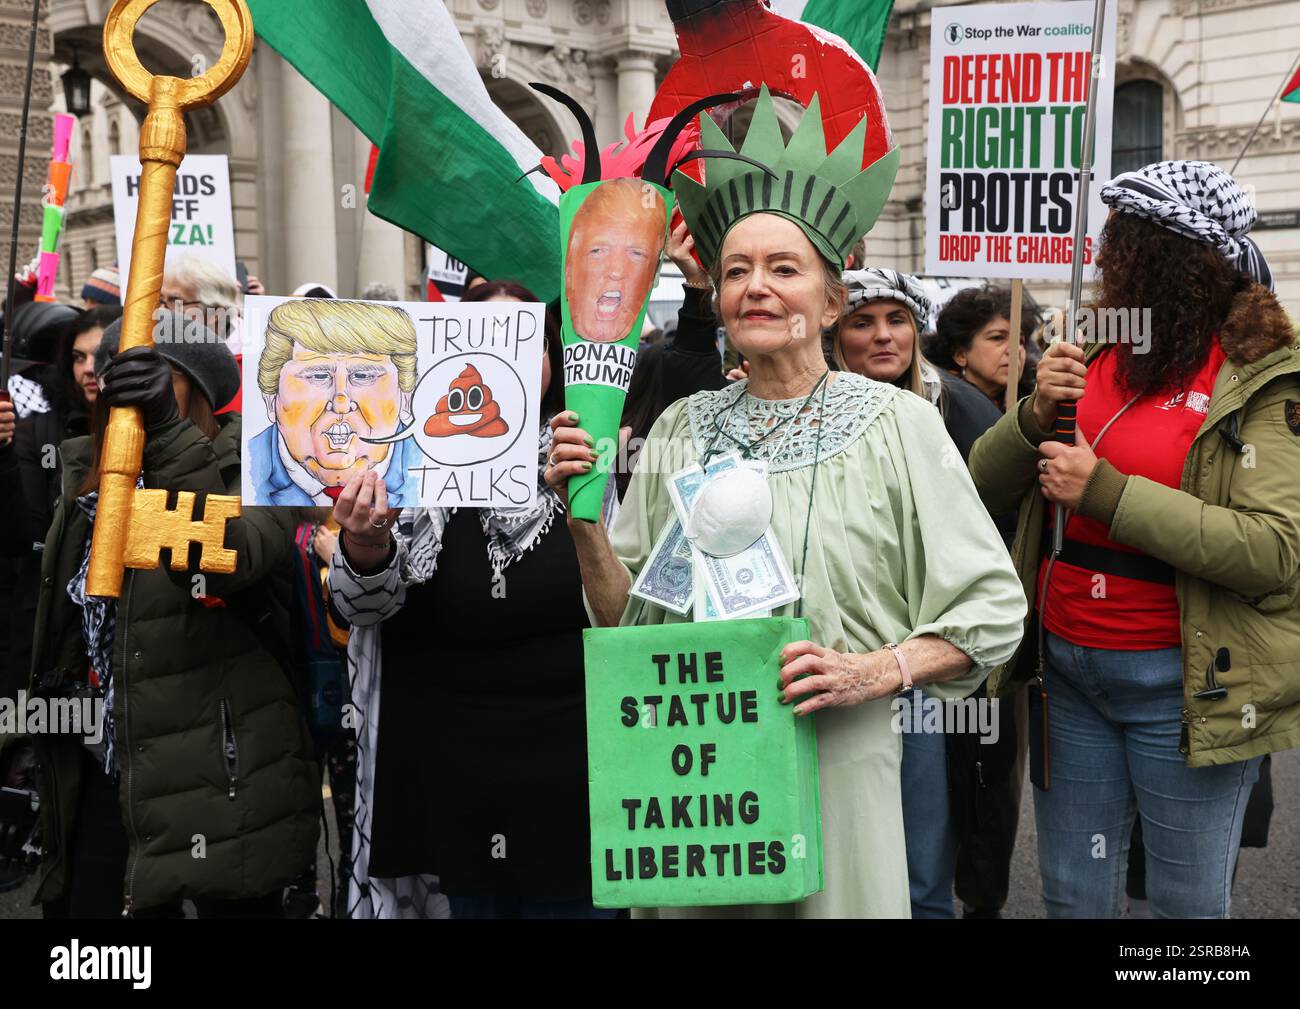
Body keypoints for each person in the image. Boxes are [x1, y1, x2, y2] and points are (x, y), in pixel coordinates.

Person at [547, 88, 1026, 917]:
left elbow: (990, 611)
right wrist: (583, 516)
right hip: (699, 781)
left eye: (783, 268)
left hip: (843, 770)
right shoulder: (681, 426)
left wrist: (873, 670)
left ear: (831, 302)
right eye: (737, 271)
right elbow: (627, 621)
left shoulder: (900, 425)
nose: (756, 288)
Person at [968, 160, 1300, 918]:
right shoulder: (1092, 354)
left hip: (1184, 683)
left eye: (1119, 245)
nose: (1100, 261)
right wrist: (1031, 412)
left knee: (1184, 903)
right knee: (1074, 895)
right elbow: (982, 483)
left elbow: (1274, 551)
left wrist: (1106, 494)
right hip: (1071, 675)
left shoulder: (1259, 372)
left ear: (1169, 261)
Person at [325, 280, 612, 919]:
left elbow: (631, 613)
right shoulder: (400, 467)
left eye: (524, 342)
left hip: (578, 793)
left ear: (552, 360)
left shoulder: (597, 458)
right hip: (448, 799)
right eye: (482, 340)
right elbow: (360, 610)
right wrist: (366, 542)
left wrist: (585, 505)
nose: (505, 361)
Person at [30, 312, 319, 917]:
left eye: (153, 375)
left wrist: (164, 434)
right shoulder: (84, 481)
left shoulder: (264, 464)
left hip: (220, 786)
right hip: (108, 776)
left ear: (194, 387)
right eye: (119, 375)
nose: (127, 390)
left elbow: (223, 554)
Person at [828, 268, 1021, 919]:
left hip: (925, 670)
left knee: (924, 860)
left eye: (898, 318)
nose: (884, 334)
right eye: (863, 320)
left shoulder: (961, 411)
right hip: (829, 666)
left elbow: (992, 549)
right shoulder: (792, 416)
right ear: (833, 332)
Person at [1, 306, 121, 701]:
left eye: (101, 355)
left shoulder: (154, 431)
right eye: (78, 357)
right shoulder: (40, 432)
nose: (89, 369)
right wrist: (2, 452)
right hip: (56, 632)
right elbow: (24, 534)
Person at [246, 298, 421, 506]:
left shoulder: (434, 468)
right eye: (318, 376)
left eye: (363, 376)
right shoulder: (245, 470)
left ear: (406, 397)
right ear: (270, 399)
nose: (341, 404)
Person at [564, 177, 667, 344]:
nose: (617, 271)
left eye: (636, 253)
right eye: (598, 251)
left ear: (651, 279)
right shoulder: (543, 360)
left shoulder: (655, 366)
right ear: (568, 273)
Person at [930, 284, 1038, 409]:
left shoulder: (1035, 408)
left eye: (1020, 341)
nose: (1016, 350)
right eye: (997, 337)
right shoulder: (937, 407)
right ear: (960, 355)